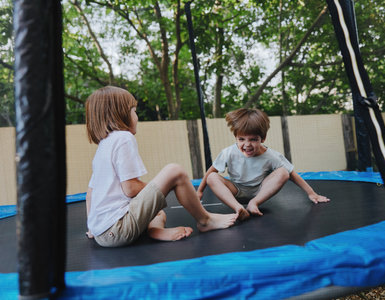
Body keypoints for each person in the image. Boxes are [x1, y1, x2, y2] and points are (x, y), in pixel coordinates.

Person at [85, 86, 237, 247]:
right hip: (119, 229)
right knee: (175, 171)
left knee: (158, 213)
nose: (137, 117)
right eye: (134, 111)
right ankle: (205, 220)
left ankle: (155, 230)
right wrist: (163, 188)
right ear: (120, 114)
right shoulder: (123, 138)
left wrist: (93, 228)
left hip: (102, 233)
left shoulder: (103, 146)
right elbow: (129, 188)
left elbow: (90, 193)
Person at [197, 108, 330, 221]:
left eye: (253, 140)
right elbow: (211, 170)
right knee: (212, 177)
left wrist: (312, 193)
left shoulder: (271, 155)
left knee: (283, 172)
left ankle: (253, 203)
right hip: (236, 190)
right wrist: (199, 192)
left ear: (263, 138)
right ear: (236, 138)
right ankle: (238, 208)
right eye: (241, 139)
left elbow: (292, 174)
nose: (247, 145)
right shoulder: (229, 152)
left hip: (260, 191)